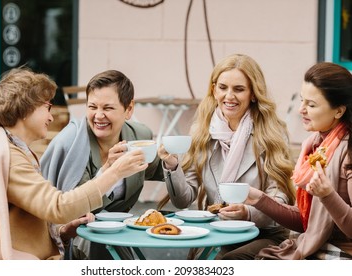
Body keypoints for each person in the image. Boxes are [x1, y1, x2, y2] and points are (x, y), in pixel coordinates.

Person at [0, 68, 147, 260]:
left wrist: (63, 232)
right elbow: (58, 207)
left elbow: (20, 223)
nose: (51, 117)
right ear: (27, 109)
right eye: (47, 107)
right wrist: (114, 173)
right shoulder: (10, 158)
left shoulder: (5, 149)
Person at [157, 53, 296, 259]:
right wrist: (171, 165)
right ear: (214, 90)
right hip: (217, 231)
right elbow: (183, 199)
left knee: (226, 263)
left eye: (239, 89)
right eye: (223, 87)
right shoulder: (202, 130)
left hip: (263, 234)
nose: (229, 96)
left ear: (253, 94)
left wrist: (247, 212)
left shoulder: (271, 134)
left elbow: (280, 198)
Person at [40, 69, 164, 259]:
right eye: (92, 107)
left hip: (119, 232)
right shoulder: (71, 143)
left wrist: (174, 162)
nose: (98, 116)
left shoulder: (139, 136)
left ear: (129, 109)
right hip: (77, 235)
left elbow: (157, 170)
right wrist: (110, 171)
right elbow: (75, 208)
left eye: (107, 108)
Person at [245, 62, 352, 259]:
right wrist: (258, 199)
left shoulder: (348, 150)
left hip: (341, 253)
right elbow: (305, 221)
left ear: (339, 111)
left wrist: (328, 195)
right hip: (312, 244)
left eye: (311, 105)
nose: (301, 109)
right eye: (302, 101)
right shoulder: (314, 145)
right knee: (233, 259)